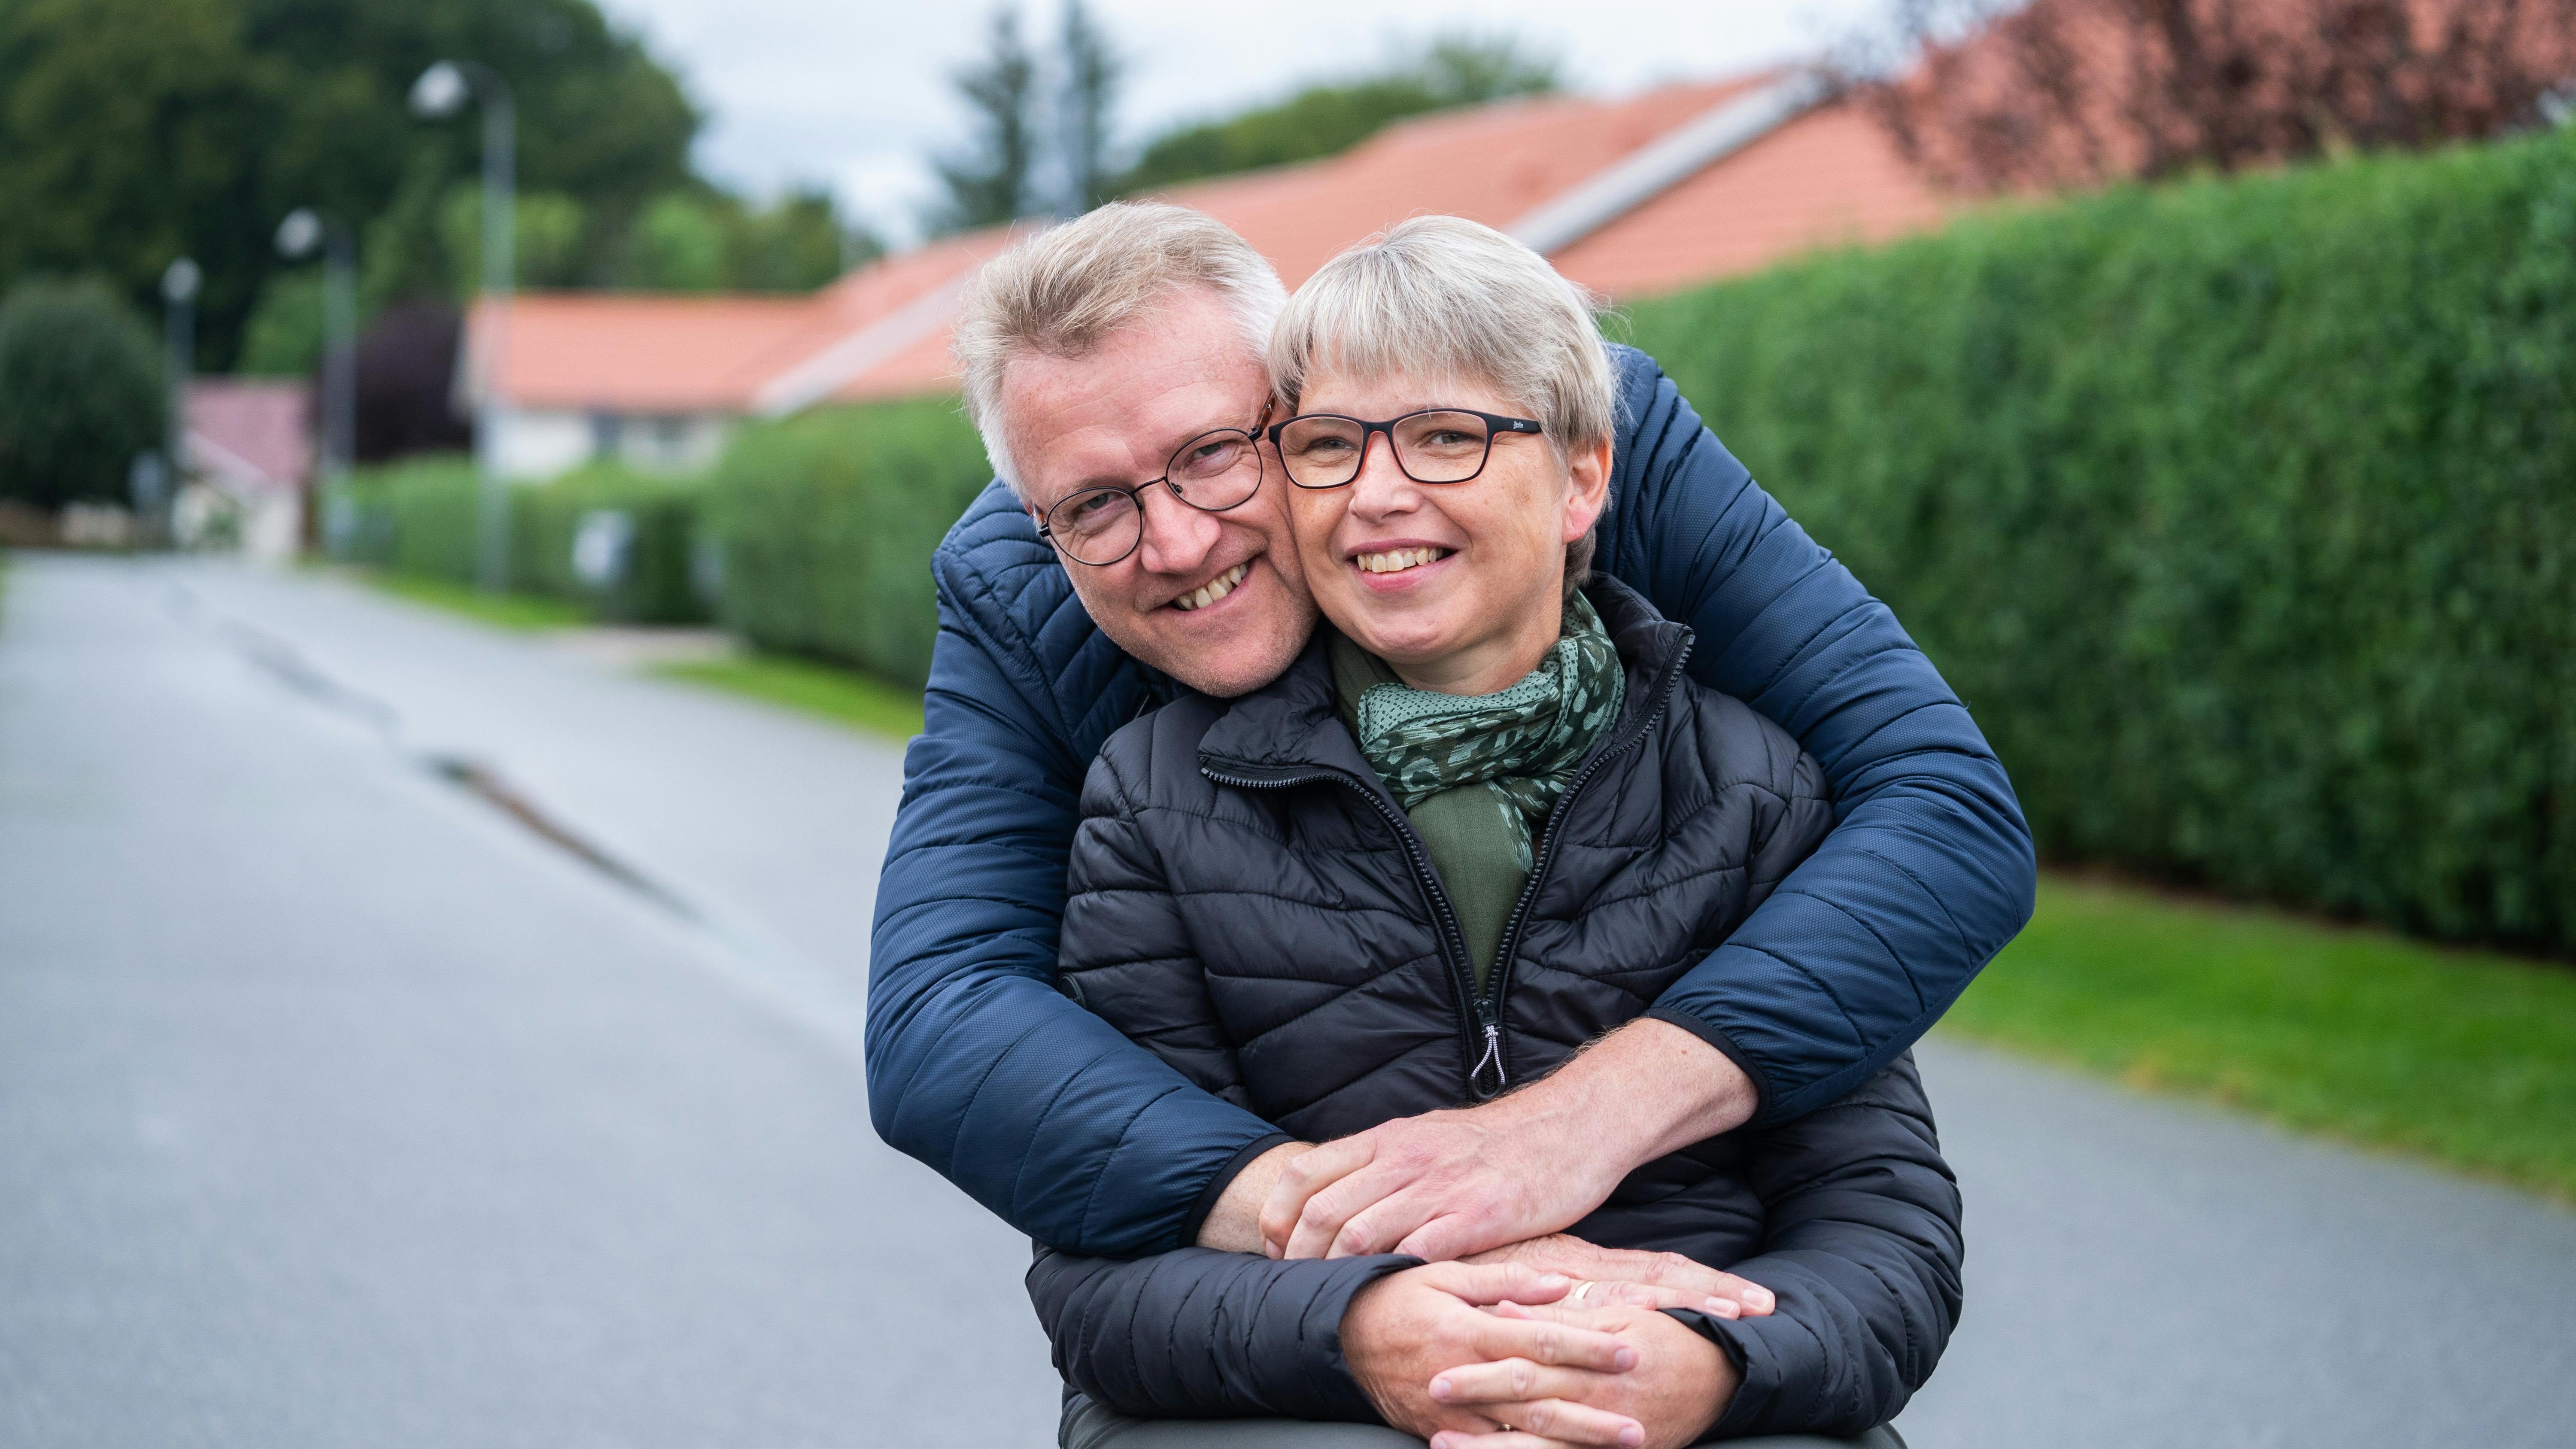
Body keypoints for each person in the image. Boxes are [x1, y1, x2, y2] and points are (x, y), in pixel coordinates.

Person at [864, 202, 2029, 1424]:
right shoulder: (1035, 607)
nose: (1176, 539)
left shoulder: (1554, 427)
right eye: (1094, 506)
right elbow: (945, 1018)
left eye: (1216, 452)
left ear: (1300, 398)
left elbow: (1945, 812)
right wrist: (1383, 1253)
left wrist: (1571, 1134)